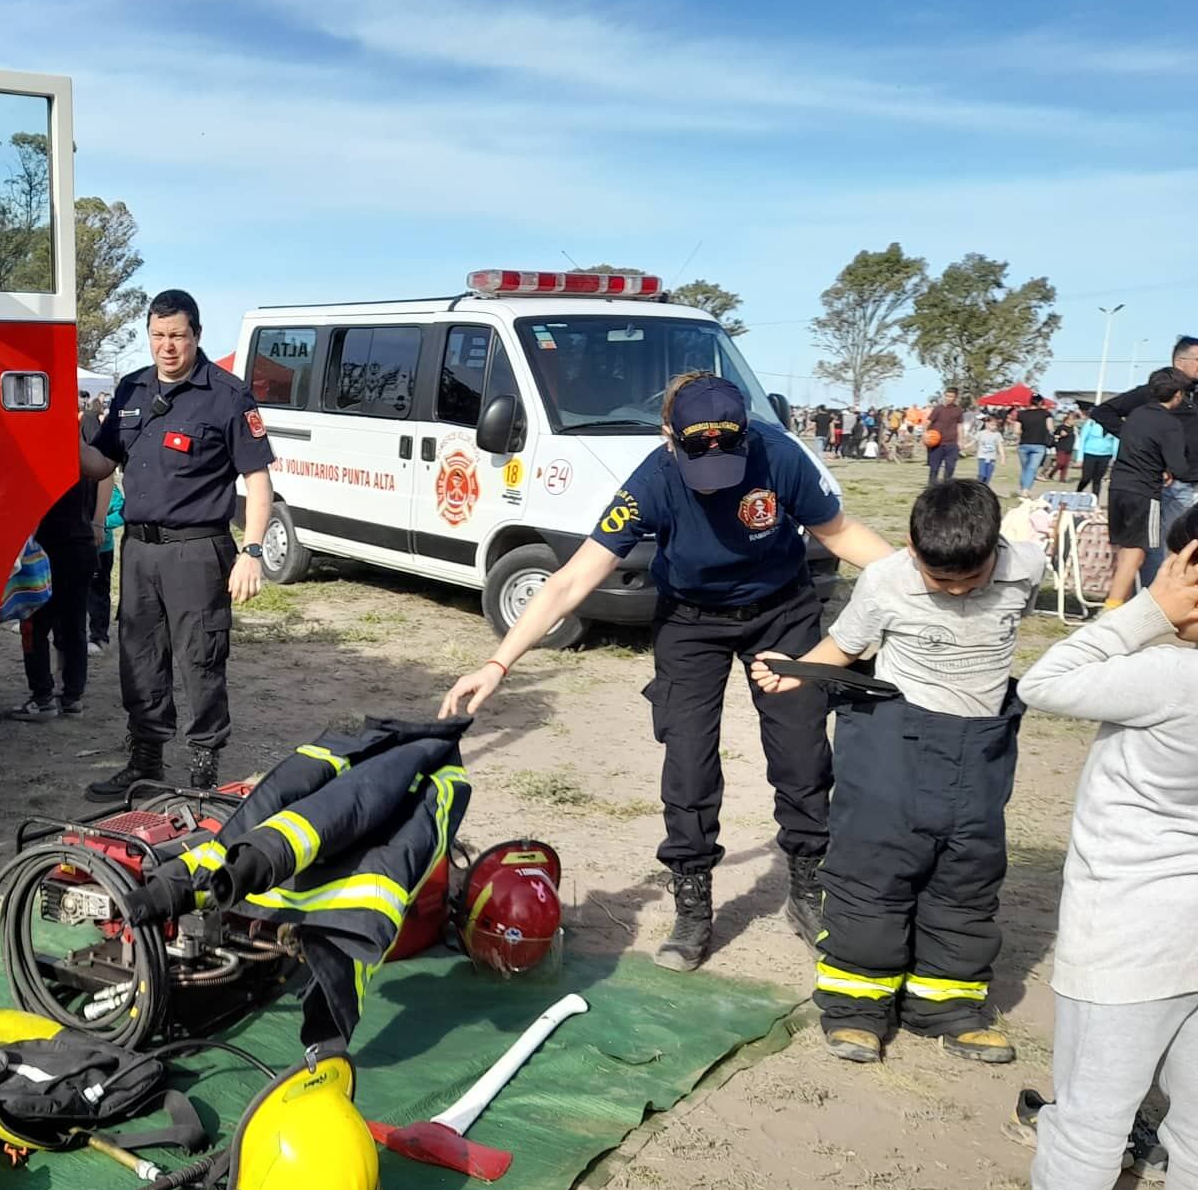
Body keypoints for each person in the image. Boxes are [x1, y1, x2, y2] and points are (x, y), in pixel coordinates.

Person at [439, 372, 894, 971]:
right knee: (688, 760)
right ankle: (693, 901)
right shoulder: (652, 480)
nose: (714, 473)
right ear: (668, 438)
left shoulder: (778, 456)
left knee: (802, 752)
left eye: (726, 457)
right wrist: (499, 663)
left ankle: (808, 887)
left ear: (745, 435)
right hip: (691, 622)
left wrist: (924, 578)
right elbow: (574, 578)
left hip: (781, 611)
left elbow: (842, 535)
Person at [751, 480, 1045, 1064]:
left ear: (996, 551)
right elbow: (844, 645)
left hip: (981, 751)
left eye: (973, 577)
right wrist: (796, 671)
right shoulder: (885, 581)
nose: (959, 590)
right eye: (943, 581)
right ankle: (857, 1008)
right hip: (895, 743)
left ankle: (948, 1005)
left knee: (967, 876)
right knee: (872, 873)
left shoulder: (1025, 568)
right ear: (912, 547)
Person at [1003, 513, 1198, 1190]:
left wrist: (1148, 611)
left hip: (1126, 931)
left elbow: (1042, 680)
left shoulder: (1167, 678)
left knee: (1093, 1107)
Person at [79, 289, 275, 796]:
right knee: (139, 655)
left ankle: (203, 770)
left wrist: (252, 551)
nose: (168, 347)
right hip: (140, 551)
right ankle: (146, 763)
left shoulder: (226, 395)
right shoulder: (131, 390)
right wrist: (55, 429)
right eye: (158, 336)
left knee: (200, 658)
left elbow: (257, 480)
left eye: (178, 336)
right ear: (149, 336)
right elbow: (99, 464)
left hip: (199, 551)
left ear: (197, 335)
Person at [11, 413, 113, 721]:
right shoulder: (77, 450)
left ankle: (43, 698)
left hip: (45, 552)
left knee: (35, 626)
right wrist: (97, 521)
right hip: (79, 546)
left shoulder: (34, 454)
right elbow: (105, 473)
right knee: (72, 627)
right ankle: (72, 697)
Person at [1095, 336, 1198, 587]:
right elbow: (1103, 411)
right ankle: (1149, 601)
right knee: (1159, 546)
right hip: (1169, 483)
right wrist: (1136, 439)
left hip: (1194, 482)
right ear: (1180, 361)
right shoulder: (1153, 393)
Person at [89, 478, 124, 653]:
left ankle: (99, 637)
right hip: (78, 548)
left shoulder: (109, 489)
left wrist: (102, 524)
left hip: (101, 551)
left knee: (98, 594)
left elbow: (122, 512)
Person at [1016, 394, 1053, 494]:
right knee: (1032, 468)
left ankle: (1022, 488)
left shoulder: (1021, 414)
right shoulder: (1046, 414)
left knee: (1025, 468)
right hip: (1039, 444)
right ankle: (1025, 489)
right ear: (1040, 402)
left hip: (1024, 444)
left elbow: (1016, 430)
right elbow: (1050, 428)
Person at [925, 388, 963, 484]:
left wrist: (961, 440)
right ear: (944, 396)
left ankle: (946, 488)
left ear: (955, 397)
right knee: (934, 468)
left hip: (952, 443)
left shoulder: (958, 410)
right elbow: (928, 422)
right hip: (937, 443)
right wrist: (925, 434)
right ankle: (932, 489)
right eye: (947, 396)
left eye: (951, 396)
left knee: (950, 468)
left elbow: (959, 425)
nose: (949, 398)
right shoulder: (938, 409)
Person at [1076, 413, 1117, 500]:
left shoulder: (1114, 424)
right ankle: (1078, 493)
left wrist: (1114, 457)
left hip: (1105, 455)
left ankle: (1095, 501)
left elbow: (1116, 440)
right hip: (1089, 453)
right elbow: (1083, 439)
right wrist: (1080, 458)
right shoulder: (1091, 422)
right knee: (1086, 478)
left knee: (1097, 480)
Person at [973, 416, 1003, 485]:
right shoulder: (981, 433)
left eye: (996, 425)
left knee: (988, 476)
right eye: (992, 425)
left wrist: (1002, 457)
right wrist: (964, 446)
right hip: (982, 457)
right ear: (986, 424)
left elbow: (1000, 446)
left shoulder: (997, 435)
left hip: (992, 458)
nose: (994, 427)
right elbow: (973, 441)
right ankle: (978, 485)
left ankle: (985, 488)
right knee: (982, 475)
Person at [1049, 414, 1076, 481]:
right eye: (1072, 420)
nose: (1074, 421)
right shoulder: (1061, 427)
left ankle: (1062, 479)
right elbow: (1055, 436)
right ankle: (1051, 474)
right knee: (1060, 463)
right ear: (1067, 420)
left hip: (1069, 448)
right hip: (1061, 447)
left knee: (1066, 465)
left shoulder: (1074, 428)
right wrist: (1060, 435)